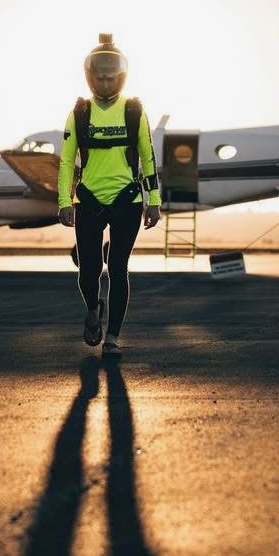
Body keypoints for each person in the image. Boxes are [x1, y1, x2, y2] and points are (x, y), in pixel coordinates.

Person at [58, 34, 161, 359]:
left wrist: (154, 200)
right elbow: (66, 161)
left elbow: (148, 157)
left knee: (118, 267)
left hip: (127, 201)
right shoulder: (80, 113)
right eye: (98, 76)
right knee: (89, 269)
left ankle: (112, 337)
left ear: (121, 76)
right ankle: (93, 308)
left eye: (109, 76)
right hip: (88, 200)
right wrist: (64, 201)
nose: (103, 81)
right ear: (90, 76)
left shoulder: (134, 112)